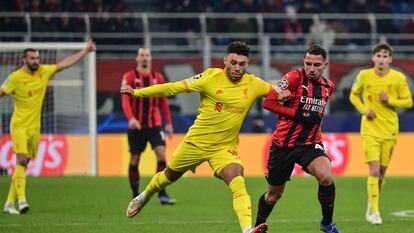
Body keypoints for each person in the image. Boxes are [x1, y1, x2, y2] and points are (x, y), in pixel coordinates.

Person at [121, 41, 271, 233]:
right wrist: (137, 93)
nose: (237, 68)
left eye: (242, 64)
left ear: (248, 64)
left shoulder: (254, 84)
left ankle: (247, 229)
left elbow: (277, 93)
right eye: (233, 62)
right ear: (225, 60)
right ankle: (146, 194)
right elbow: (173, 88)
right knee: (169, 176)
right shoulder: (209, 77)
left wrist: (287, 92)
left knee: (238, 181)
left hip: (224, 148)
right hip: (196, 142)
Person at [0, 39, 96, 214]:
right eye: (32, 58)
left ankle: (8, 203)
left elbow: (64, 64)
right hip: (19, 125)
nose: (36, 61)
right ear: (24, 60)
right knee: (21, 160)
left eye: (37, 58)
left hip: (35, 127)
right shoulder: (15, 78)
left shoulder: (44, 72)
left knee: (24, 164)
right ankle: (22, 201)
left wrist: (85, 51)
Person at [253, 45, 340, 233]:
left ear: (325, 64)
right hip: (283, 144)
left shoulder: (328, 86)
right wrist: (297, 113)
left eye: (317, 65)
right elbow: (268, 102)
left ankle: (327, 223)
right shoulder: (293, 78)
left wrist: (306, 116)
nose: (311, 68)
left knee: (326, 177)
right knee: (273, 195)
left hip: (310, 143)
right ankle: (258, 226)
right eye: (308, 64)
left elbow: (316, 113)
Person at [349, 43, 413, 225]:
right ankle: (375, 212)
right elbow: (353, 95)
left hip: (390, 130)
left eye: (385, 56)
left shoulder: (398, 78)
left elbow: (408, 102)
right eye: (378, 55)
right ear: (373, 58)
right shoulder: (363, 75)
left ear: (390, 59)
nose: (382, 59)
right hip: (370, 129)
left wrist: (390, 100)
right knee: (374, 170)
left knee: (382, 174)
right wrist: (364, 109)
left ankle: (371, 202)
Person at [121, 48, 175, 204]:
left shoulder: (158, 77)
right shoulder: (129, 77)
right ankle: (135, 194)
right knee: (135, 158)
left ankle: (162, 193)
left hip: (154, 125)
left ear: (150, 58)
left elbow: (163, 101)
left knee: (161, 154)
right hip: (136, 126)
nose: (145, 58)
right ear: (137, 58)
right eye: (142, 55)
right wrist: (131, 118)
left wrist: (169, 122)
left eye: (147, 55)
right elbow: (124, 99)